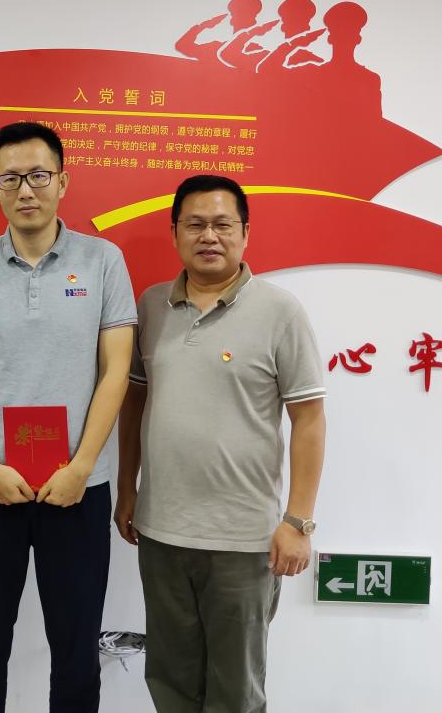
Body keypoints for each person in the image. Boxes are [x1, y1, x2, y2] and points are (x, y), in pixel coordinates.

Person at [0, 121, 136, 712]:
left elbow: (116, 371)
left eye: (38, 176)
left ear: (62, 182)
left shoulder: (103, 261)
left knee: (75, 648)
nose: (25, 190)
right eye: (11, 179)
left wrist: (81, 467)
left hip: (78, 489)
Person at [115, 175, 327, 713]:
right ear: (175, 233)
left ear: (245, 233)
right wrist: (127, 489)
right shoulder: (152, 306)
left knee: (235, 690)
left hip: (243, 540)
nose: (208, 236)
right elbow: (134, 403)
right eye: (194, 224)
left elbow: (308, 419)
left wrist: (298, 521)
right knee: (170, 681)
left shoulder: (280, 311)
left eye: (222, 224)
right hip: (161, 532)